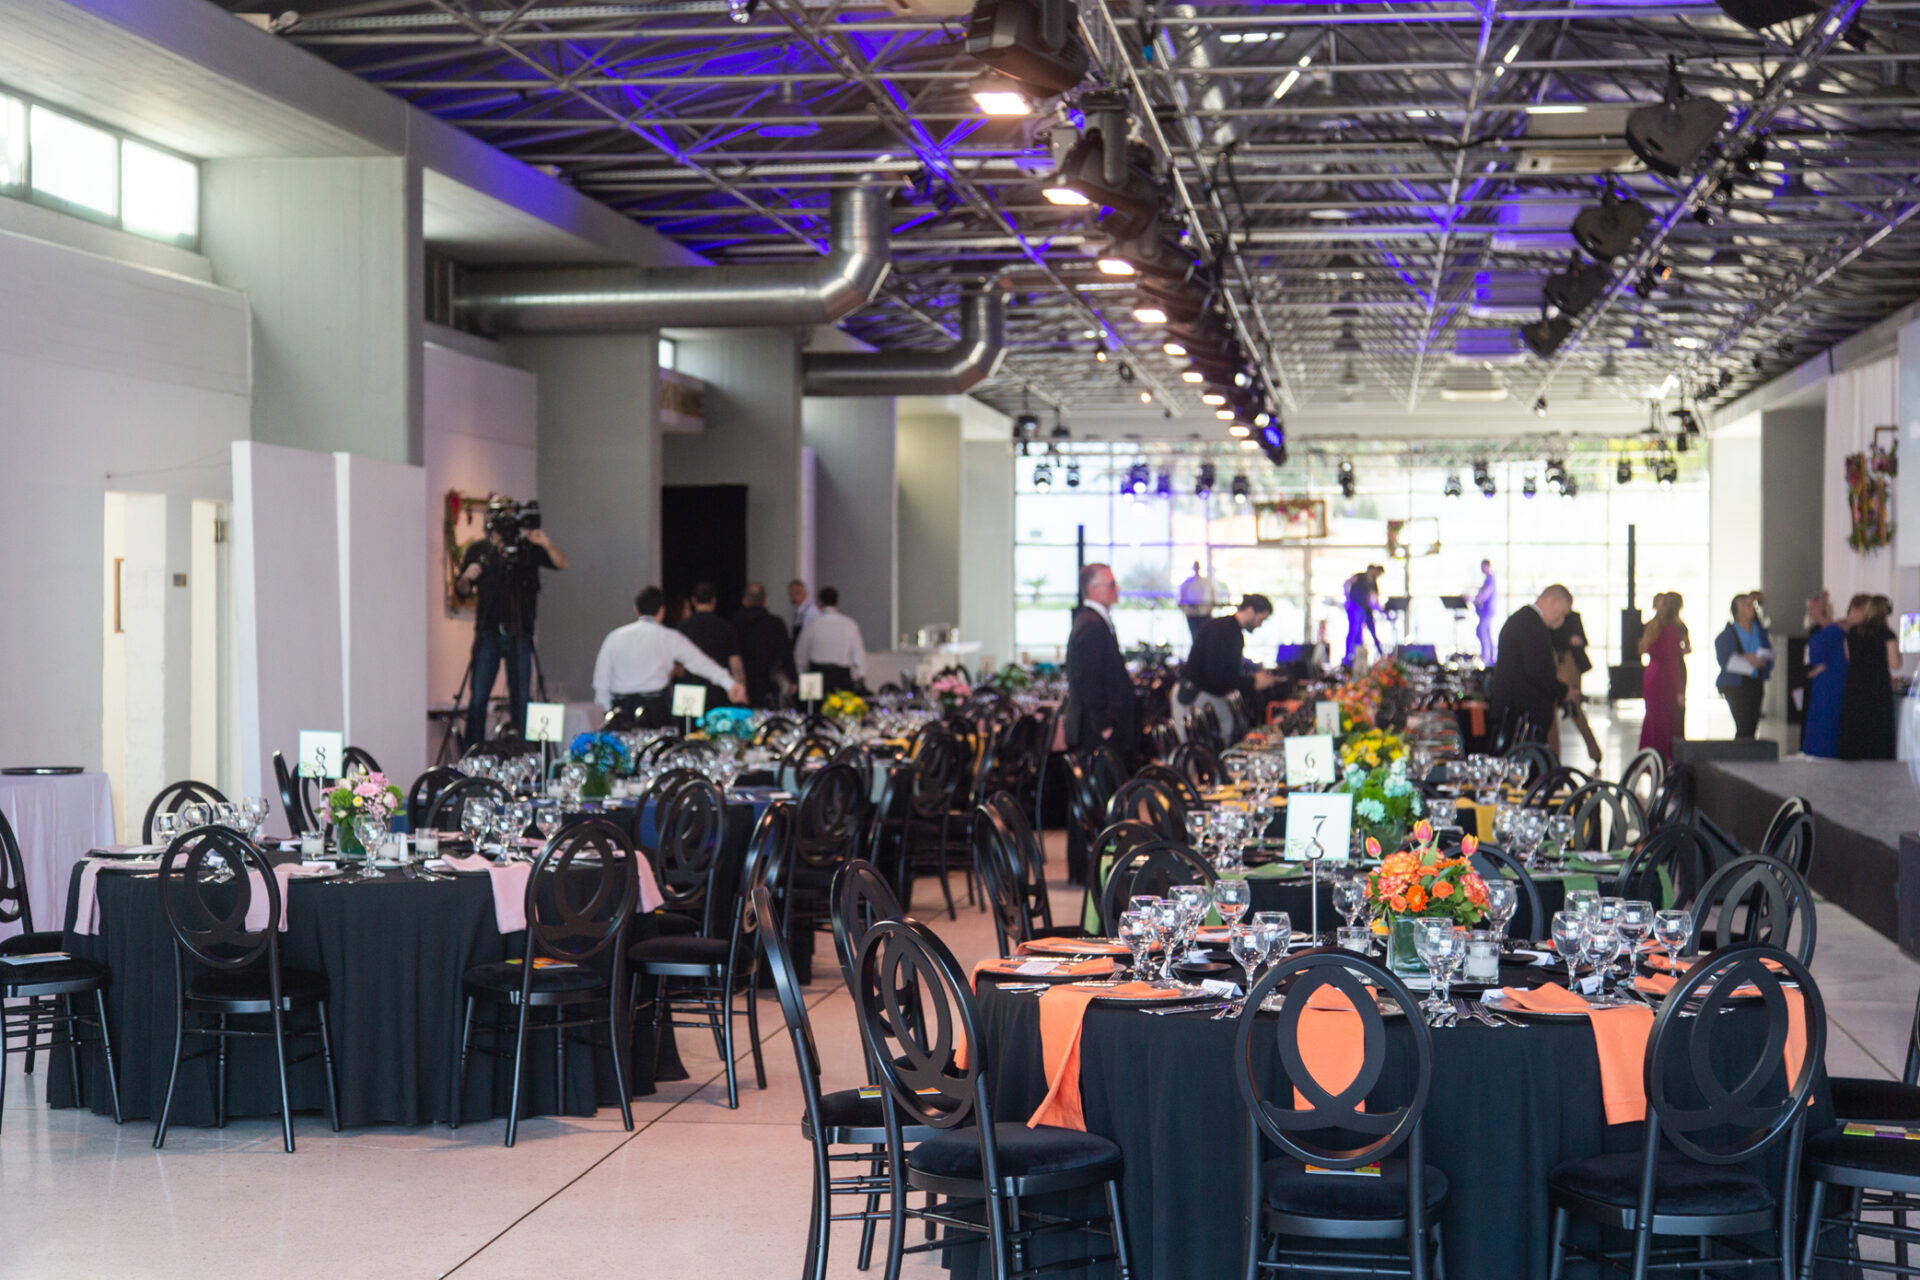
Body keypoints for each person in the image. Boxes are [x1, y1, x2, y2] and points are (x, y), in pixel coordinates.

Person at [456, 504, 568, 749]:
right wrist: (466, 577)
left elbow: (562, 563)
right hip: (488, 631)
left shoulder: (527, 549)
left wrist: (545, 543)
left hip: (520, 631)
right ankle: (472, 754)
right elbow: (461, 590)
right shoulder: (480, 550)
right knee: (478, 699)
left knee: (522, 698)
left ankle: (525, 752)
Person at [592, 587, 745, 726]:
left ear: (636, 610)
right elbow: (700, 663)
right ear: (662, 610)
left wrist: (608, 710)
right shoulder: (669, 637)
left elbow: (601, 680)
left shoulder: (614, 637)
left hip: (621, 709)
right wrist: (730, 684)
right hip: (656, 710)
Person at [1177, 594, 1280, 742]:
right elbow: (1219, 676)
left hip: (1206, 691)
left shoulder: (1230, 630)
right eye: (1260, 619)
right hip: (1194, 693)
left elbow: (1228, 668)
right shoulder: (1225, 631)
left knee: (1226, 726)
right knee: (1192, 743)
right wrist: (1253, 682)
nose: (1259, 625)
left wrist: (1254, 676)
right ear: (1250, 611)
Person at [1064, 563, 1138, 754]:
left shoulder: (1093, 620)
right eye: (1111, 584)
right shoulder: (1091, 625)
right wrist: (1104, 725)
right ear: (1093, 589)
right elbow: (1088, 678)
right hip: (1097, 731)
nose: (1117, 588)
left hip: (1099, 727)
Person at [1488, 585, 1575, 742]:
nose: (1561, 621)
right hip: (1520, 720)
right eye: (1562, 613)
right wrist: (1563, 691)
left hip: (1517, 716)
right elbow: (1537, 670)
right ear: (1553, 601)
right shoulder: (1531, 625)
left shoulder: (1524, 620)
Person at [1839, 593, 1901, 760]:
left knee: (1857, 730)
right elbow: (1895, 664)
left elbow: (1849, 658)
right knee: (1877, 732)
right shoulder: (1887, 635)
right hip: (1877, 689)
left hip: (1854, 687)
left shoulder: (1852, 633)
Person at [1638, 592, 1690, 762]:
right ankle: (1663, 759)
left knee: (1653, 719)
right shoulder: (1671, 630)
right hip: (1664, 680)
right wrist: (1679, 691)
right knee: (1666, 721)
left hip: (1652, 674)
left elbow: (1644, 648)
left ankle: (1650, 759)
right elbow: (1671, 663)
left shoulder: (1653, 626)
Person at [1713, 593, 1772, 740]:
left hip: (1755, 682)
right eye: (1746, 605)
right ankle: (1741, 751)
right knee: (1743, 724)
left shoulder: (1759, 631)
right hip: (1736, 684)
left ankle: (1748, 752)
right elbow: (1724, 659)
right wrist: (1747, 658)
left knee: (1752, 724)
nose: (1751, 608)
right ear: (1737, 611)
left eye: (1752, 605)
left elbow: (1768, 652)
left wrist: (1763, 661)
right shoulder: (1727, 635)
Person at [1550, 606, 1603, 765]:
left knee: (1574, 709)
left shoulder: (1572, 617)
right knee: (1551, 712)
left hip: (1568, 666)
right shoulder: (1546, 618)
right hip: (1552, 666)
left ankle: (1594, 751)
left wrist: (1574, 640)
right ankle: (1553, 757)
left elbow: (1582, 640)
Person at [677, 582, 747, 701]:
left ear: (694, 600)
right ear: (714, 601)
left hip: (689, 692)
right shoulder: (726, 628)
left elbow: (678, 668)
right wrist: (740, 688)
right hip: (718, 691)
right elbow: (735, 663)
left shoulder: (682, 629)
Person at [792, 586, 867, 693]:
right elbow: (858, 656)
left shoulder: (811, 625)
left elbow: (800, 656)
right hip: (842, 680)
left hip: (815, 680)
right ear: (837, 603)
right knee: (841, 703)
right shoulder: (850, 625)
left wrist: (801, 675)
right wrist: (861, 676)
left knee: (811, 704)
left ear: (820, 604)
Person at [736, 581, 796, 708]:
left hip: (742, 685)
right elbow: (786, 654)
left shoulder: (735, 624)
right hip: (769, 686)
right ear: (766, 600)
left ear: (744, 601)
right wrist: (793, 678)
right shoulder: (776, 624)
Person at [1801, 590, 1846, 758]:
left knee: (1825, 715)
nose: (1809, 612)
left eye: (1812, 608)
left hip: (1828, 681)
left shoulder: (1830, 631)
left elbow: (1824, 661)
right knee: (1823, 716)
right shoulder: (1830, 630)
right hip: (1828, 679)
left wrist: (1815, 671)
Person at [1343, 564, 1386, 664]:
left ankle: (1381, 655)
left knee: (1371, 631)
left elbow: (1374, 600)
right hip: (1355, 607)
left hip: (1366, 609)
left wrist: (1382, 611)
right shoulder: (1360, 577)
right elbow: (1346, 583)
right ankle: (1349, 656)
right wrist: (1347, 599)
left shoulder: (1373, 583)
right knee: (1355, 631)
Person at [1177, 561, 1217, 644]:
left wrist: (1210, 609)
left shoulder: (1206, 582)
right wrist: (1187, 611)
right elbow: (1181, 598)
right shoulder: (1187, 583)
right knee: (1195, 636)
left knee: (1206, 637)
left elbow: (1213, 596)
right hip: (1192, 615)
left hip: (1205, 613)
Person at [1473, 559, 1498, 664]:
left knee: (1482, 631)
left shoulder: (1490, 579)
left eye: (1483, 566)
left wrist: (1475, 599)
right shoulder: (1487, 579)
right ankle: (1490, 657)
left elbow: (1485, 594)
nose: (1482, 569)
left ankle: (1486, 657)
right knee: (1486, 632)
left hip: (1488, 610)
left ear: (1488, 566)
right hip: (1485, 610)